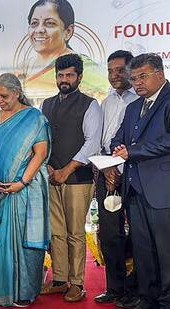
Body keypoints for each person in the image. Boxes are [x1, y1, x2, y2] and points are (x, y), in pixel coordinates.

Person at [0, 73, 51, 307]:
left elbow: (40, 153)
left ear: (17, 93)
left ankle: (25, 291)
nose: (0, 101)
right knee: (1, 240)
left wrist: (22, 181)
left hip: (26, 190)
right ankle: (0, 289)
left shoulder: (34, 118)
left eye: (4, 96)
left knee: (25, 240)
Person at [40, 54, 102, 302]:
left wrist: (67, 169)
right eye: (60, 75)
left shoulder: (90, 104)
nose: (64, 80)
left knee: (75, 232)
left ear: (79, 77)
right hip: (51, 176)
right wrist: (48, 168)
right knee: (56, 232)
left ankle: (77, 283)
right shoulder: (45, 104)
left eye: (69, 75)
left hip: (78, 178)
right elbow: (41, 139)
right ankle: (59, 279)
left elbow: (93, 142)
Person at [111, 53, 170, 309]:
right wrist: (117, 149)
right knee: (143, 251)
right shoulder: (133, 106)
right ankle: (147, 298)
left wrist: (132, 152)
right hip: (134, 188)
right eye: (133, 78)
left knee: (166, 252)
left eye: (142, 76)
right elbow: (118, 138)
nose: (137, 83)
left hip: (162, 190)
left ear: (160, 74)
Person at [94, 50, 140, 308]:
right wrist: (107, 168)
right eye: (110, 71)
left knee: (138, 233)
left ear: (132, 71)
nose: (114, 75)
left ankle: (137, 287)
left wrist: (120, 165)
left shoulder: (142, 101)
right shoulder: (106, 102)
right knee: (110, 234)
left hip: (135, 174)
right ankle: (115, 288)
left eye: (120, 70)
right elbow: (104, 141)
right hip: (107, 174)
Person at [21, 0, 107, 98]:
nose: (39, 30)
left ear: (68, 31)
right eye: (34, 23)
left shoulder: (87, 68)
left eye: (49, 23)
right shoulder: (23, 67)